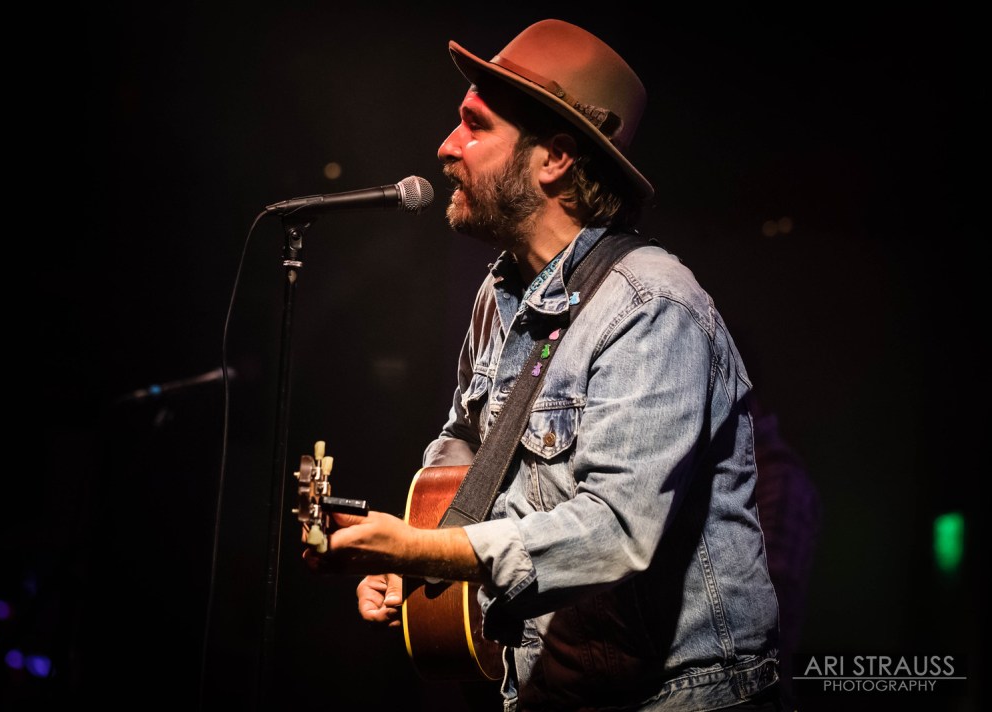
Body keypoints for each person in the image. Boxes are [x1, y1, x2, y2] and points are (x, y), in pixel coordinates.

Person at [304, 19, 782, 711]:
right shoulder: (500, 293)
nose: (446, 146)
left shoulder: (652, 307)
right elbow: (467, 445)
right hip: (553, 690)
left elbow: (616, 531)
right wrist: (418, 559)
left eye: (474, 125)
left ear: (555, 158)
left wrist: (421, 551)